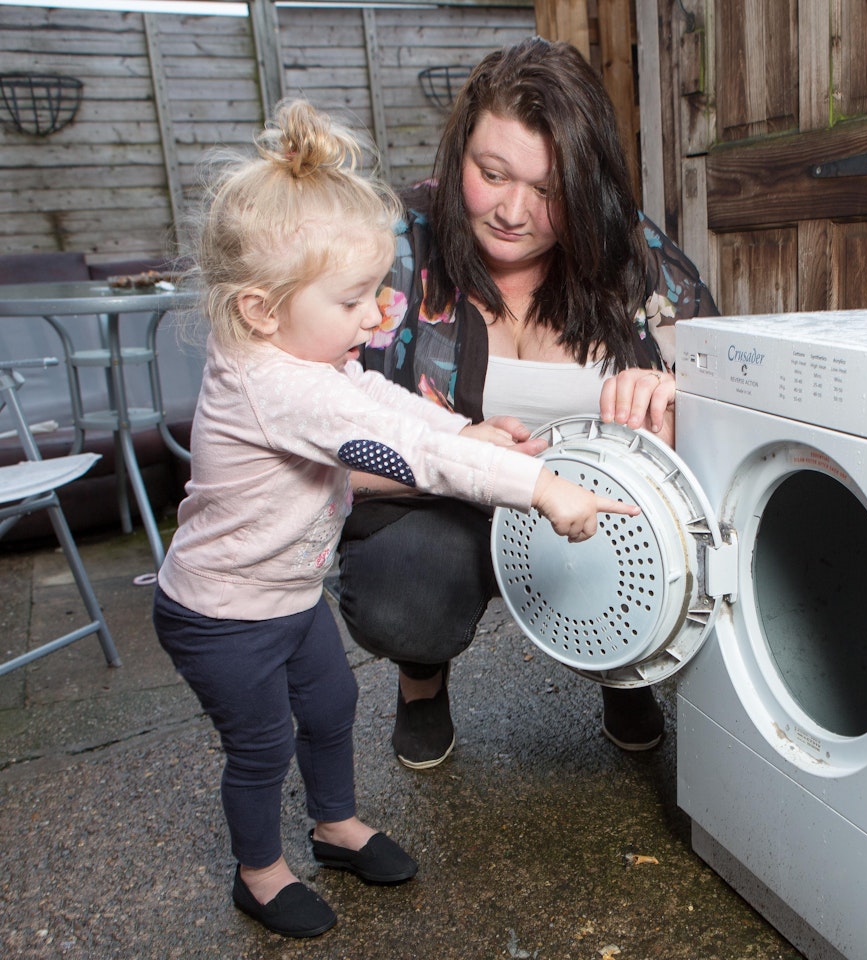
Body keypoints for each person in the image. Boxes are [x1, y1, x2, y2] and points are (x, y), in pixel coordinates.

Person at [152, 98, 637, 939]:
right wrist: (541, 486)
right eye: (351, 302)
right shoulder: (279, 385)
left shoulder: (307, 354)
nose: (376, 316)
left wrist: (468, 429)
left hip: (287, 597)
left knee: (333, 703)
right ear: (263, 309)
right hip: (223, 614)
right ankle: (260, 875)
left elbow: (385, 398)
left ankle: (334, 827)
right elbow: (402, 452)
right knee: (263, 744)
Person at [336, 36, 720, 769]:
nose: (514, 211)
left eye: (549, 191)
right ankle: (422, 678)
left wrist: (676, 391)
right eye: (492, 174)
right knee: (408, 593)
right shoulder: (393, 249)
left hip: (600, 509)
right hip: (439, 508)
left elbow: (732, 394)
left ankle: (622, 660)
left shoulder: (632, 252)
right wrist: (453, 457)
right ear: (459, 160)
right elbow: (311, 437)